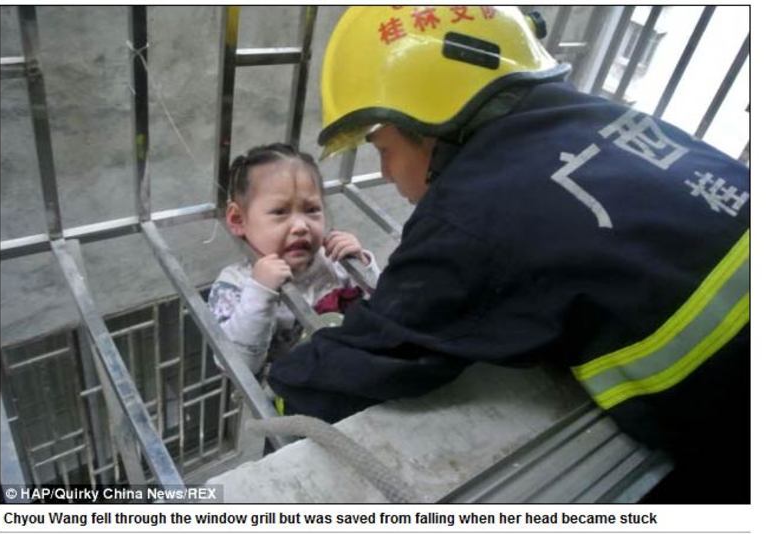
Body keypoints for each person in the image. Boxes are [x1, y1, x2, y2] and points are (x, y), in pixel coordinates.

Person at [267, 7, 750, 502]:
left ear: (430, 119)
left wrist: (280, 394)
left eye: (383, 147)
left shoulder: (470, 216)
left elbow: (369, 360)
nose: (386, 173)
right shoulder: (595, 115)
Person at [209, 143, 380, 379]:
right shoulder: (234, 285)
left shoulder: (335, 261)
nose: (301, 226)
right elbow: (237, 369)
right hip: (283, 403)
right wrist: (260, 292)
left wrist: (363, 265)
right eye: (280, 212)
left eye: (311, 210)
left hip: (350, 379)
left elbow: (383, 315)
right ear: (238, 219)